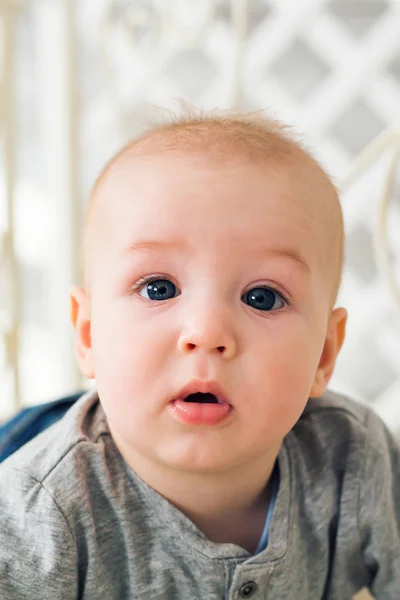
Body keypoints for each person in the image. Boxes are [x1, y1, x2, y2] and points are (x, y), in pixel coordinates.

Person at [0, 112, 399, 600]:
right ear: (88, 335)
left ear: (323, 354)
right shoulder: (39, 513)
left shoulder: (353, 459)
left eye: (262, 297)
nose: (207, 332)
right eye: (159, 288)